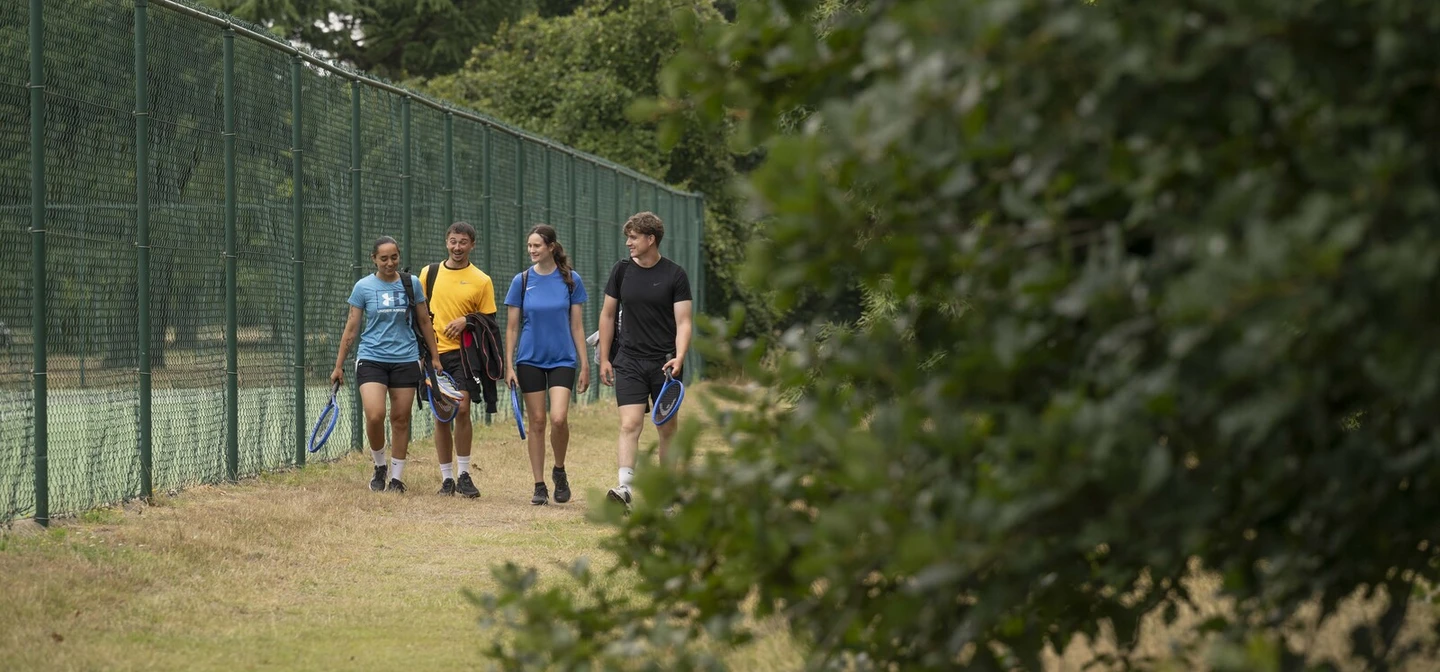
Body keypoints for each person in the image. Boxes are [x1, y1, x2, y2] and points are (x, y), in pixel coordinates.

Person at [331, 236, 442, 494]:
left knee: (401, 418)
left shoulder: (412, 284)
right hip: (372, 358)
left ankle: (397, 478)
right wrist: (338, 366)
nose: (389, 263)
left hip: (406, 358)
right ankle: (380, 465)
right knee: (375, 413)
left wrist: (435, 357)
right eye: (384, 258)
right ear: (374, 259)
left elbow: (425, 322)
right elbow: (351, 327)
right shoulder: (363, 287)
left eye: (394, 257)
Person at [597, 212, 692, 508]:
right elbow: (608, 315)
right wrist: (605, 358)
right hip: (628, 361)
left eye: (634, 237)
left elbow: (685, 322)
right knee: (630, 424)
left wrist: (679, 357)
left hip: (665, 363)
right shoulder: (621, 271)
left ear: (651, 239)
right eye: (628, 237)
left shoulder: (675, 275)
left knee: (667, 430)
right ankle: (625, 490)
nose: (628, 243)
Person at [504, 224, 590, 505]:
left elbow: (577, 326)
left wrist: (585, 364)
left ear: (551, 247)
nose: (532, 250)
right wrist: (508, 365)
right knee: (538, 422)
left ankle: (559, 470)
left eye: (537, 246)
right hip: (529, 359)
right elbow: (512, 327)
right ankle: (539, 485)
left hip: (563, 359)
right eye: (529, 246)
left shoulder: (571, 280)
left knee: (558, 419)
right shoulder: (522, 280)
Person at [418, 222, 498, 498]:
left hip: (464, 355)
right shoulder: (429, 274)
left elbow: (490, 320)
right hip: (435, 354)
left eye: (463, 242)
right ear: (446, 242)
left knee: (461, 409)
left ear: (472, 245)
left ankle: (464, 473)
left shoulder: (481, 280)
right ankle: (447, 479)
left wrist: (468, 321)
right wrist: (425, 354)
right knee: (442, 413)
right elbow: (419, 315)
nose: (457, 247)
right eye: (453, 241)